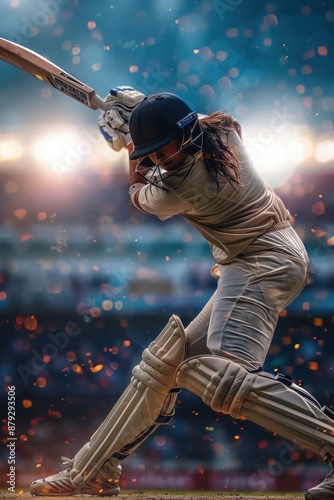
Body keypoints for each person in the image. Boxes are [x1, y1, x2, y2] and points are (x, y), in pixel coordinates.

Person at [30, 88, 334, 499]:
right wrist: (138, 118)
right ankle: (92, 471)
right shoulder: (223, 131)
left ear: (186, 132)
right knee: (164, 366)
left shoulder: (186, 184)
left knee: (224, 377)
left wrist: (128, 148)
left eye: (160, 149)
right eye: (150, 151)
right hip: (261, 257)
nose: (157, 157)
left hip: (262, 260)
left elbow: (140, 197)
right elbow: (174, 123)